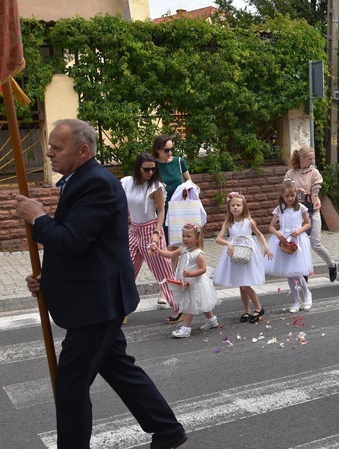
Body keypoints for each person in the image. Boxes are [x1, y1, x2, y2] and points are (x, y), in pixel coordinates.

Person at [15, 119, 187, 448]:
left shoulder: (95, 183)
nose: (48, 153)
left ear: (82, 151)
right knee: (120, 369)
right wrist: (46, 278)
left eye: (56, 147)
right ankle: (167, 429)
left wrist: (38, 217)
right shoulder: (80, 180)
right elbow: (88, 247)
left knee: (70, 385)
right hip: (96, 295)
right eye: (49, 146)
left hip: (97, 303)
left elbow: (72, 240)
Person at [121, 152, 180, 324]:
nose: (150, 173)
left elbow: (161, 211)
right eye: (146, 169)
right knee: (125, 271)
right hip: (133, 231)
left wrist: (157, 233)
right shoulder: (126, 183)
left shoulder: (156, 187)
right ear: (138, 168)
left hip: (150, 231)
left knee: (163, 272)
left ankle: (179, 307)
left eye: (153, 169)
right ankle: (121, 309)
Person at [152, 223, 220, 338]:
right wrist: (159, 251)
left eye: (189, 236)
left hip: (195, 284)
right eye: (183, 236)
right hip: (186, 283)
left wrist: (191, 274)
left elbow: (203, 269)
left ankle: (186, 328)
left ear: (197, 238)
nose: (185, 239)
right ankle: (212, 320)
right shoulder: (183, 248)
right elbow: (172, 254)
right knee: (202, 303)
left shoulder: (198, 254)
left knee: (189, 305)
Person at [214, 192, 273, 323]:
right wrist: (228, 243)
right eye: (233, 205)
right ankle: (247, 310)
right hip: (234, 254)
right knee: (241, 285)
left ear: (243, 207)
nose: (235, 207)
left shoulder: (249, 221)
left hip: (248, 254)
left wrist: (266, 247)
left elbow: (259, 234)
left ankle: (258, 307)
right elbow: (218, 239)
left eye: (238, 205)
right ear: (229, 208)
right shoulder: (228, 223)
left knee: (245, 285)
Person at [284, 146, 338, 281]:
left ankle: (332, 264)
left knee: (315, 244)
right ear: (301, 158)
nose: (312, 160)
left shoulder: (314, 173)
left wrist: (311, 196)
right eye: (309, 158)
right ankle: (304, 273)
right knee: (301, 244)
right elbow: (285, 190)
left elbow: (315, 191)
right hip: (296, 213)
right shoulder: (291, 173)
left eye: (312, 158)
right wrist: (296, 190)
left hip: (312, 210)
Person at [265, 180, 314, 313]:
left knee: (297, 273)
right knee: (289, 274)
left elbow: (308, 224)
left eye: (292, 195)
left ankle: (307, 294)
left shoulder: (301, 208)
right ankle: (296, 300)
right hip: (284, 241)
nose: (290, 198)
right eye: (287, 196)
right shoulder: (280, 209)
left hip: (297, 241)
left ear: (296, 194)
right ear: (282, 195)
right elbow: (270, 227)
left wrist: (299, 230)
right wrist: (277, 234)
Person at [152, 135, 191, 255]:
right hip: (161, 208)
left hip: (178, 208)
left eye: (171, 149)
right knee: (165, 241)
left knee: (179, 242)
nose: (170, 153)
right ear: (158, 150)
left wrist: (186, 189)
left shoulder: (179, 162)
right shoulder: (153, 165)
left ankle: (176, 271)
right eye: (166, 150)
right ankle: (167, 270)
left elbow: (189, 181)